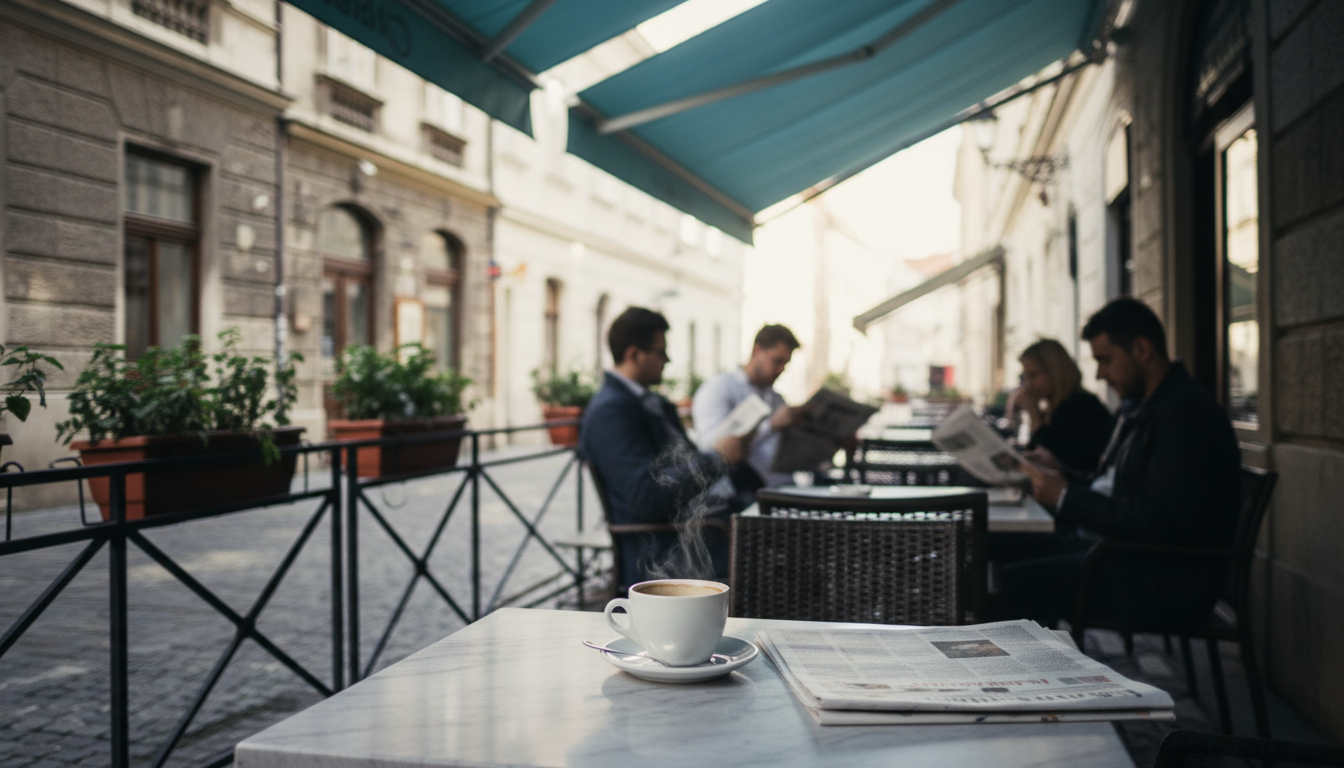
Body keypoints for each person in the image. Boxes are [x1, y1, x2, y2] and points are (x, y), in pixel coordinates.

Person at [991, 298, 1241, 627]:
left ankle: (1029, 673)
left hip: (1162, 578)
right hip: (1123, 553)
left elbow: (1160, 519)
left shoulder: (1184, 413)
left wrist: (1065, 496)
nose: (1099, 373)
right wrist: (1063, 476)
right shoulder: (1144, 406)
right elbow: (1115, 487)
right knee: (993, 544)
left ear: (1141, 349)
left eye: (1105, 360)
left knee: (1010, 583)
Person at [579, 307, 752, 589]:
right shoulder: (611, 412)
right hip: (668, 546)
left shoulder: (651, 403)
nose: (667, 359)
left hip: (703, 525)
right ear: (634, 354)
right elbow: (645, 499)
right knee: (777, 548)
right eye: (661, 351)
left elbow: (682, 463)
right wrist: (717, 458)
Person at [692, 324, 808, 489]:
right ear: (757, 350)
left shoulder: (775, 398)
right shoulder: (719, 388)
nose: (781, 369)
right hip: (739, 493)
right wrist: (772, 425)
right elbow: (714, 449)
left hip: (781, 486)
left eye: (785, 364)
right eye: (777, 361)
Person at [1010, 338, 1112, 476]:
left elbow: (1054, 461)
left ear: (1055, 372)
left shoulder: (1080, 406)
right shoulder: (1052, 409)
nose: (1028, 383)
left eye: (1033, 375)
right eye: (1025, 376)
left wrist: (1033, 414)